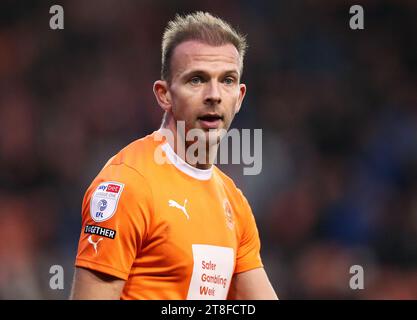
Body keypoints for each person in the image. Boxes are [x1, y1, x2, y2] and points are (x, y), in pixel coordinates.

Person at [70, 11, 278, 300]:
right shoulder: (128, 185)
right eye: (196, 79)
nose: (214, 94)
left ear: (240, 97)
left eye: (227, 80)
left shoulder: (234, 202)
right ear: (164, 94)